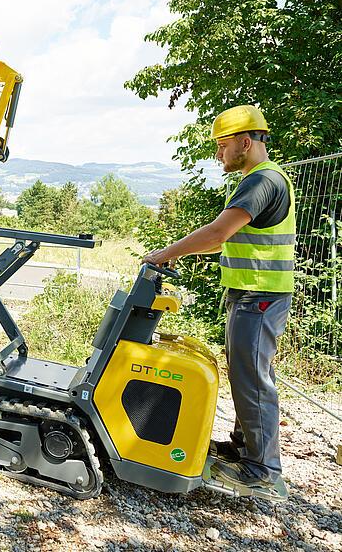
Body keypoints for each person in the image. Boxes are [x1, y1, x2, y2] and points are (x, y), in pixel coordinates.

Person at [142, 104, 294, 500]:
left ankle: (263, 470)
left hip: (260, 295)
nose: (218, 155)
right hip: (254, 293)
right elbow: (230, 237)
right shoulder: (261, 178)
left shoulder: (262, 181)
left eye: (222, 146)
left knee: (253, 379)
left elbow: (219, 232)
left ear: (246, 142)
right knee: (246, 373)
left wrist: (164, 254)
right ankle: (247, 451)